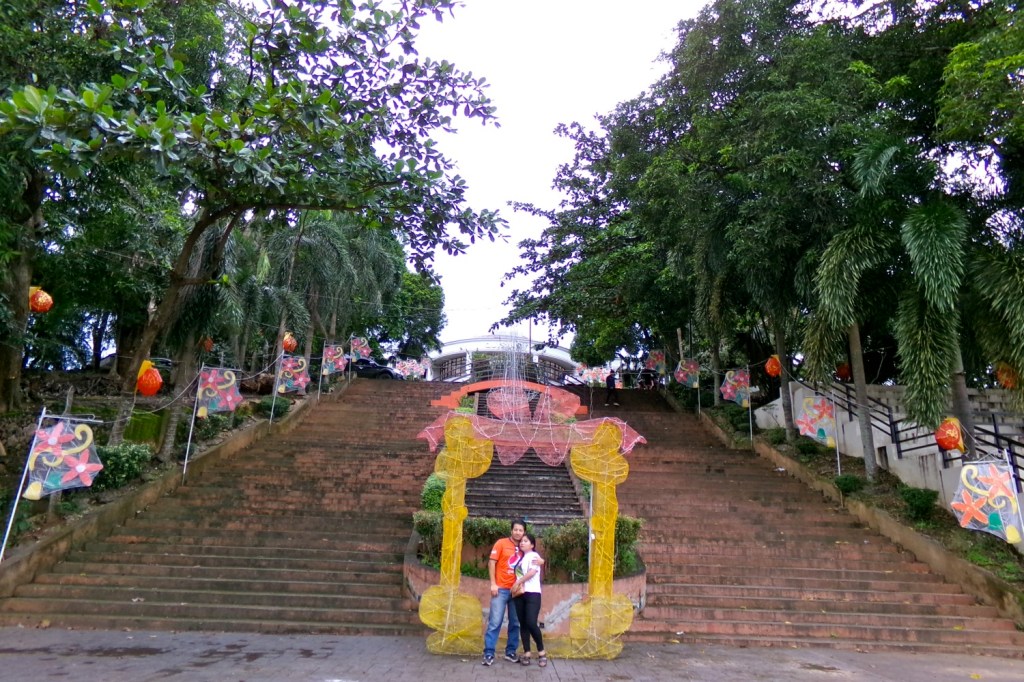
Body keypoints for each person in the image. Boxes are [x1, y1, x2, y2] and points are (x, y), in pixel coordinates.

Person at [482, 519, 525, 666]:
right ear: (511, 530)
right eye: (515, 529)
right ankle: (488, 653)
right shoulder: (501, 543)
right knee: (495, 622)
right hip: (500, 589)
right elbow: (492, 562)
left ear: (524, 532)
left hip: (516, 591)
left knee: (515, 623)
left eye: (520, 530)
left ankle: (510, 652)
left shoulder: (524, 547)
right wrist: (493, 584)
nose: (518, 532)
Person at [511, 532, 547, 667]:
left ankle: (541, 652)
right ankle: (527, 653)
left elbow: (532, 572)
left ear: (532, 545)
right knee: (523, 624)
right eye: (521, 541)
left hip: (533, 594)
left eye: (525, 541)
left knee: (531, 622)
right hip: (520, 594)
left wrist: (518, 582)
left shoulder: (534, 556)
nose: (522, 543)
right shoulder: (521, 558)